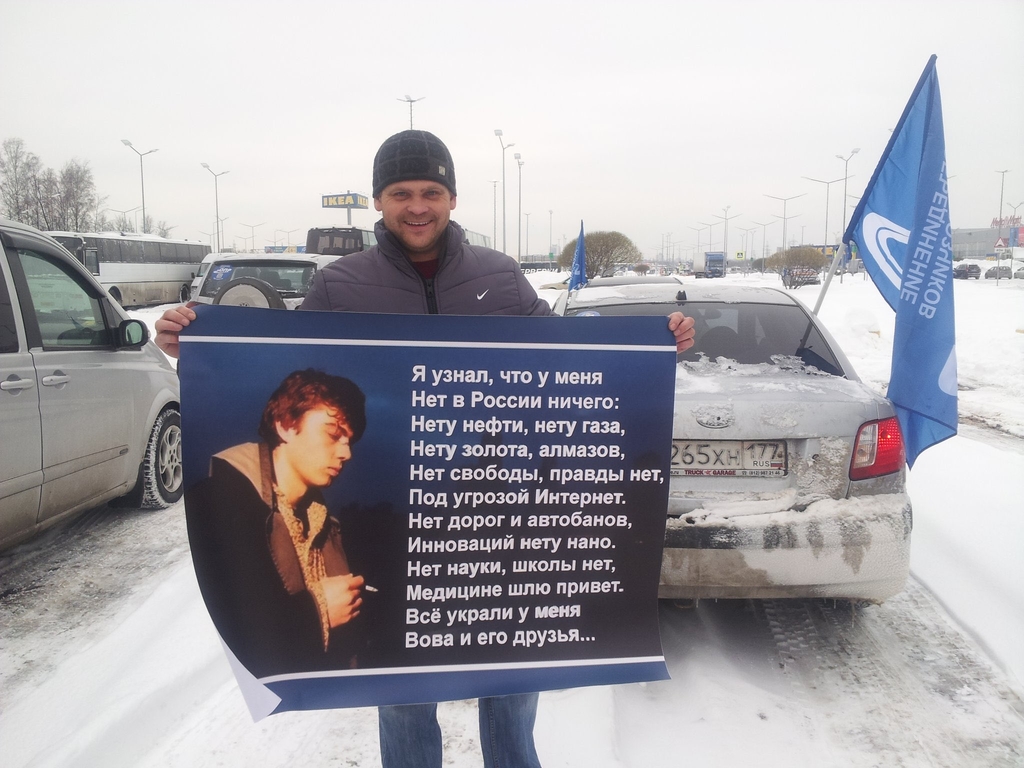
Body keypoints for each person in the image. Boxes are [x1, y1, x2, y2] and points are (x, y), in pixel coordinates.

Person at [157, 130, 696, 768]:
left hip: (495, 514)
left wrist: (651, 348)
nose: (417, 207)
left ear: (452, 197)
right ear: (378, 201)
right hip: (406, 523)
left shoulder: (501, 277)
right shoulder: (340, 285)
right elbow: (285, 360)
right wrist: (197, 343)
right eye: (401, 193)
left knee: (513, 676)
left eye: (431, 192)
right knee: (403, 692)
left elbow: (566, 360)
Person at [186, 368, 369, 679]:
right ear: (285, 425)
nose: (346, 453)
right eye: (333, 434)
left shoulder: (326, 528)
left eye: (349, 441)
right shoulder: (216, 505)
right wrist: (319, 612)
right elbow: (226, 638)